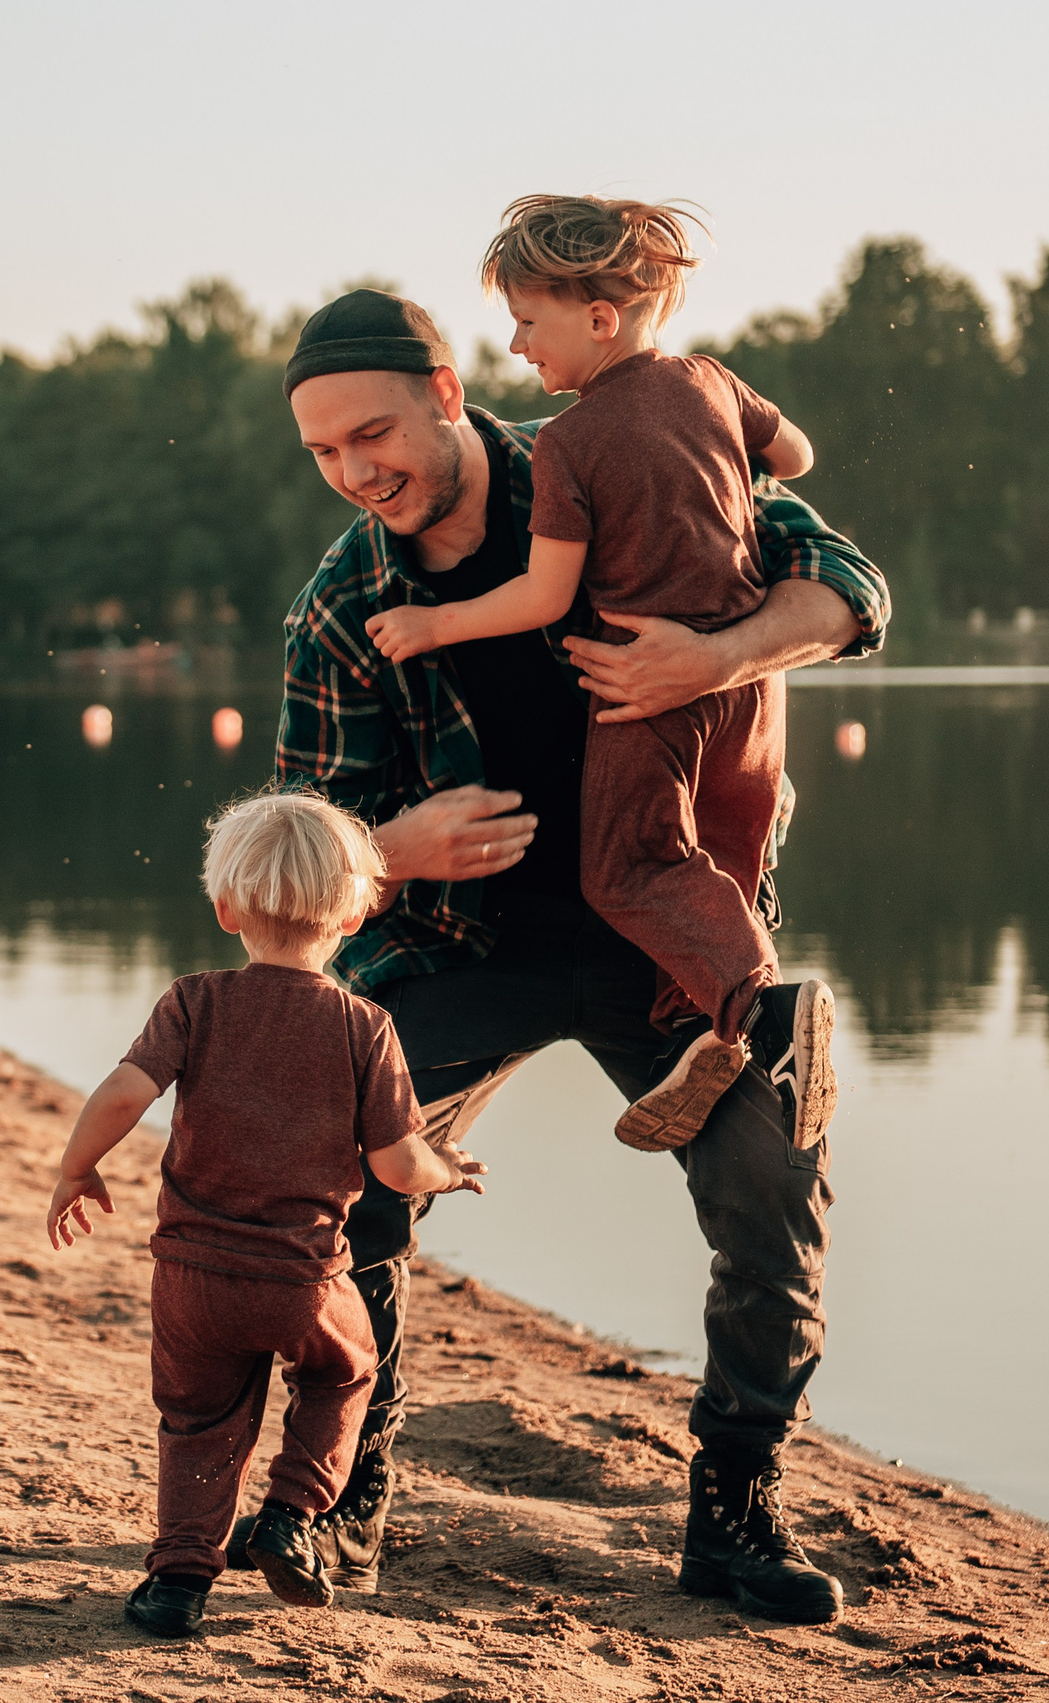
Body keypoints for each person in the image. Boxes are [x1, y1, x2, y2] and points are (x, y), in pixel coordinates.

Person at [259, 287, 890, 1626]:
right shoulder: (342, 606)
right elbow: (301, 858)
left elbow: (850, 587)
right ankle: (348, 1488)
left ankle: (734, 1510)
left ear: (446, 392)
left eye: (373, 433)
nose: (355, 471)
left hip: (664, 945)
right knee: (334, 1161)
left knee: (777, 1180)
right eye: (323, 452)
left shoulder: (619, 454)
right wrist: (395, 847)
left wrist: (714, 656)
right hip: (454, 950)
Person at [363, 195, 830, 1154]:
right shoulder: (712, 382)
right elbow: (795, 456)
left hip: (643, 686)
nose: (518, 346)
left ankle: (765, 1010)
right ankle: (704, 1035)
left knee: (627, 869)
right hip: (751, 699)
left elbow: (544, 596)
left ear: (602, 318)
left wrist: (435, 621)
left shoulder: (569, 444)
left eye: (529, 322)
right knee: (714, 857)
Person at [43, 790, 486, 1638]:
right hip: (302, 1278)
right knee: (347, 1370)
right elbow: (397, 1165)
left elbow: (126, 1090)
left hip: (192, 1278)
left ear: (226, 909)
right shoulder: (365, 1027)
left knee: (198, 1421)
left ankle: (177, 1580)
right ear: (354, 915)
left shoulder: (192, 1002)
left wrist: (76, 1167)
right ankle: (290, 1513)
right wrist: (449, 1169)